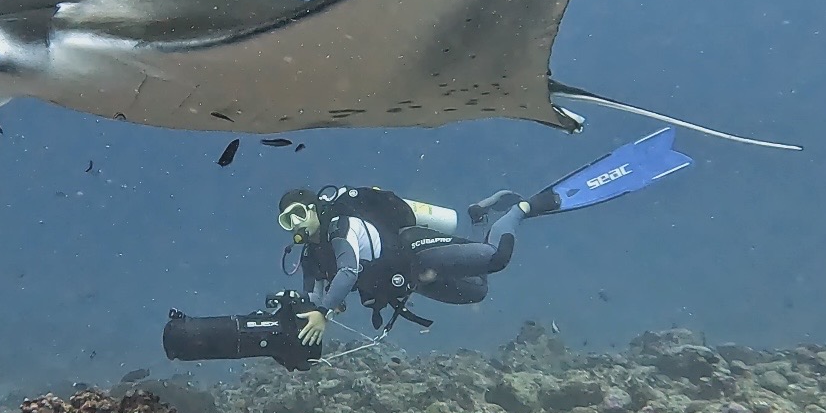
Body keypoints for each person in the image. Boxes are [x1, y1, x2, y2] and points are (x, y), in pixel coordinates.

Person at [276, 126, 695, 346]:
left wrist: (324, 312)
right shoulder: (311, 256)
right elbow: (314, 292)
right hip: (408, 280)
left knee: (495, 259)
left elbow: (349, 271)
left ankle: (520, 209)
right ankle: (482, 215)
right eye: (286, 221)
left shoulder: (341, 227)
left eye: (298, 214)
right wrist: (303, 312)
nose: (294, 224)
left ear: (315, 209)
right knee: (476, 292)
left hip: (415, 252)